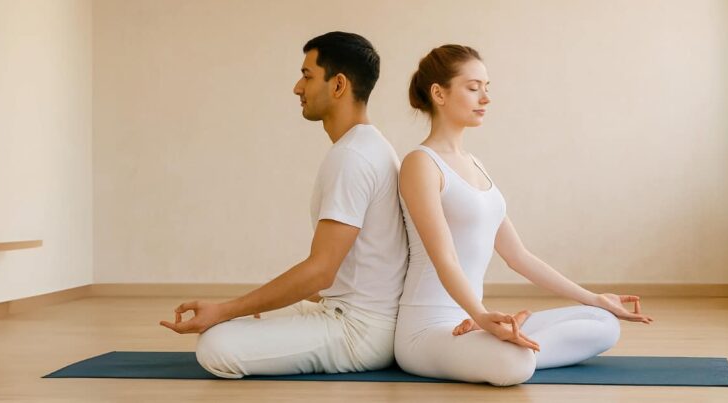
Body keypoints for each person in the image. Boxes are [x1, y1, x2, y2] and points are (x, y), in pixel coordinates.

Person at [393, 44, 653, 386]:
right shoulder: (420, 164)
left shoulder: (475, 164)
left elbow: (519, 256)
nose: (485, 98)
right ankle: (503, 349)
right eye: (473, 88)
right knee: (512, 365)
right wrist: (482, 316)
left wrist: (594, 297)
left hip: (475, 321)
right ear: (439, 94)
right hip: (428, 330)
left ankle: (500, 345)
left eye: (487, 88)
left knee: (603, 322)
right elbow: (445, 259)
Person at [159, 32, 408, 378]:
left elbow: (321, 271)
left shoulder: (352, 157)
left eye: (307, 76)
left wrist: (224, 310)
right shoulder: (369, 146)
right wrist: (230, 311)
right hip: (356, 317)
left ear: (338, 85)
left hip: (357, 332)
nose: (297, 87)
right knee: (247, 316)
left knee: (215, 347)